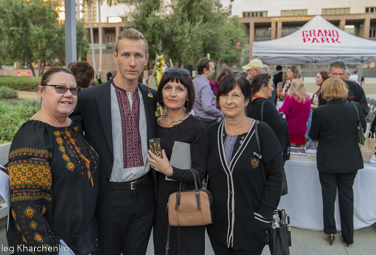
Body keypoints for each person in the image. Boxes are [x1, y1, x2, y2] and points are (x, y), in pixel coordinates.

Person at [71, 28, 156, 255]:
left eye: (138, 55)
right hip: (108, 197)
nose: (132, 62)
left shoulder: (151, 97)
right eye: (126, 55)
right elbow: (65, 126)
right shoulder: (90, 98)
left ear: (146, 60)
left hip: (146, 195)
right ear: (115, 56)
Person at [6, 67, 99, 255]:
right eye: (60, 88)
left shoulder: (72, 127)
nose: (68, 94)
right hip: (55, 244)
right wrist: (50, 250)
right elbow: (27, 207)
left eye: (73, 90)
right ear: (41, 91)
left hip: (84, 239)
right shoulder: (32, 136)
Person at [206, 73, 283, 254]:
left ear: (247, 100)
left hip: (252, 227)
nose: (229, 101)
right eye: (224, 95)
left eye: (236, 95)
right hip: (218, 228)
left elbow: (276, 176)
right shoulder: (211, 133)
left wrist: (263, 215)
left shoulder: (262, 133)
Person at [147, 68, 208, 255]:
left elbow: (199, 173)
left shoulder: (196, 127)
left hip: (185, 207)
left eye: (180, 89)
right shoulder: (152, 124)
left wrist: (170, 170)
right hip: (157, 209)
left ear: (188, 95)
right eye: (168, 87)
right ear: (160, 92)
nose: (173, 93)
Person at [309, 78, 366, 247]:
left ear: (326, 92)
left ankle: (330, 232)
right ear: (344, 91)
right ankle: (348, 237)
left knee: (328, 196)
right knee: (347, 196)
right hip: (350, 159)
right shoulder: (355, 108)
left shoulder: (321, 111)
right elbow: (362, 127)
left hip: (327, 159)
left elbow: (313, 135)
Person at [248, 73, 289, 171]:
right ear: (263, 86)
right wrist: (283, 119)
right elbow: (280, 128)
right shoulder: (266, 105)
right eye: (271, 85)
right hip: (267, 155)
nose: (273, 89)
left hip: (252, 153)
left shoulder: (248, 104)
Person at [279, 78, 311, 148]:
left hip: (290, 127)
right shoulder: (307, 98)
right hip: (301, 127)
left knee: (289, 148)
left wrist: (278, 109)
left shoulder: (290, 97)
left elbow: (284, 111)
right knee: (300, 147)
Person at [193, 57, 223, 128]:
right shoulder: (205, 85)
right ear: (205, 70)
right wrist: (220, 113)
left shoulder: (193, 82)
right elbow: (207, 107)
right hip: (207, 122)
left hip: (197, 120)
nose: (214, 71)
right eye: (212, 69)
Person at [307, 71, 329, 148]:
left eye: (318, 77)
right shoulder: (320, 90)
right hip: (313, 115)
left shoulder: (325, 91)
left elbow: (325, 106)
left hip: (317, 116)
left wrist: (311, 105)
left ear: (324, 79)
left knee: (315, 139)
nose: (315, 79)